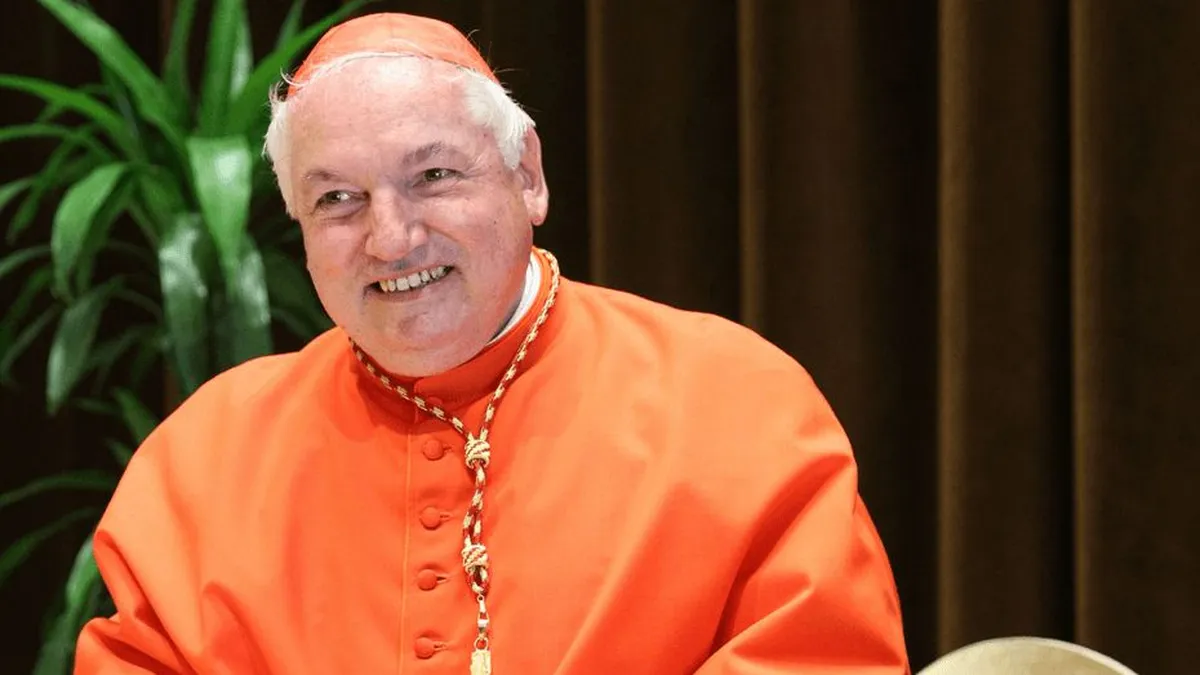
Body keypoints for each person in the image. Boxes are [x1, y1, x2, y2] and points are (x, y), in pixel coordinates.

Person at [74, 12, 909, 675]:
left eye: (433, 176)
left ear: (528, 174)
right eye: (338, 199)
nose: (391, 238)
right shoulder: (202, 459)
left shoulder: (736, 402)